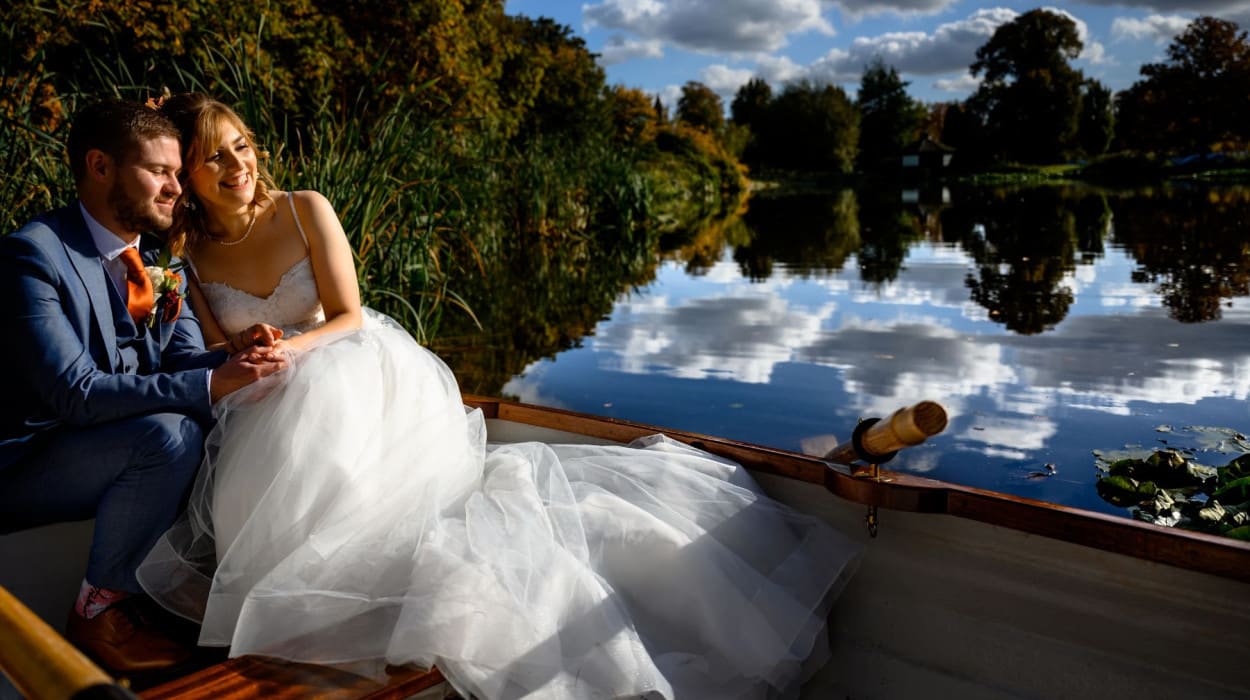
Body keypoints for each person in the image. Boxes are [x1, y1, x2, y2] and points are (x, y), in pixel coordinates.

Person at [137, 93, 863, 699]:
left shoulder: (303, 209)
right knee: (266, 461)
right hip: (264, 387)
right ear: (189, 178)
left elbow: (350, 316)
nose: (238, 165)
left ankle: (358, 606)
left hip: (345, 362)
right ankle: (298, 615)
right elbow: (213, 347)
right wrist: (248, 347)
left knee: (322, 434)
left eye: (242, 146)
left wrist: (289, 346)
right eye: (214, 157)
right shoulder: (189, 259)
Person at [0, 99, 288, 674]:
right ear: (100, 166)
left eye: (179, 174)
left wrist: (234, 354)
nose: (176, 189)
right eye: (160, 172)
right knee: (169, 435)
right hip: (23, 462)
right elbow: (75, 392)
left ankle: (184, 589)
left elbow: (182, 359)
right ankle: (97, 611)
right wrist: (210, 382)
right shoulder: (33, 255)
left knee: (251, 405)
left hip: (101, 447)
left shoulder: (161, 264)